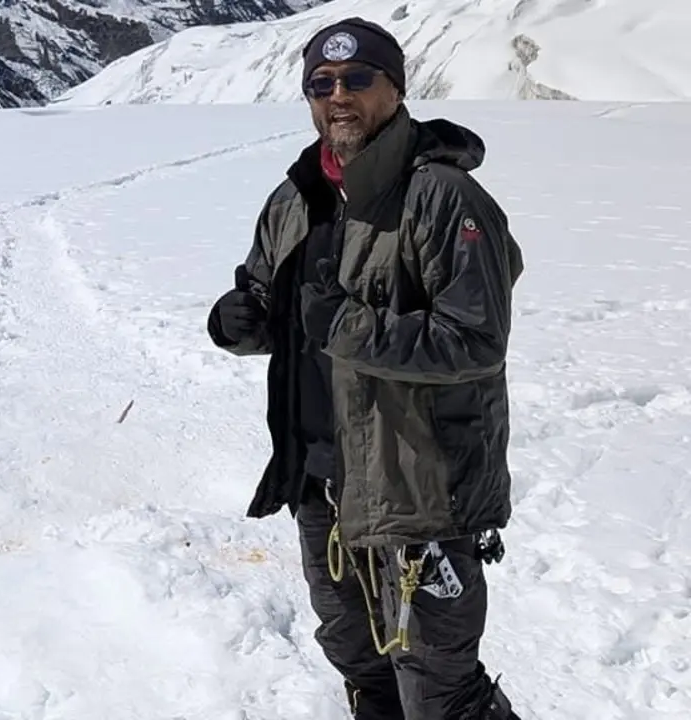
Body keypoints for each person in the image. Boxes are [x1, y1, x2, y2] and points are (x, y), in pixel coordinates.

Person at [206, 16, 526, 720]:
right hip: (322, 483)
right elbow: (273, 299)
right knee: (358, 660)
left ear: (396, 88)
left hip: (418, 493)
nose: (339, 95)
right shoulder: (295, 200)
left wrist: (345, 325)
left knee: (440, 690)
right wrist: (244, 324)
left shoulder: (443, 200)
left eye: (358, 79)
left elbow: (474, 343)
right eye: (322, 84)